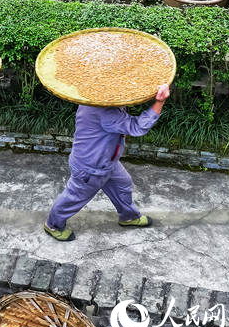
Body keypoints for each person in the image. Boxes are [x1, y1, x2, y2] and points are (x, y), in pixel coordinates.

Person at [44, 84, 171, 241]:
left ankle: (128, 216)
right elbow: (137, 127)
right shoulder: (106, 112)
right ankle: (53, 225)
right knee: (74, 197)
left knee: (123, 183)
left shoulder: (91, 96)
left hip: (107, 161)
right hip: (91, 167)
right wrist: (160, 102)